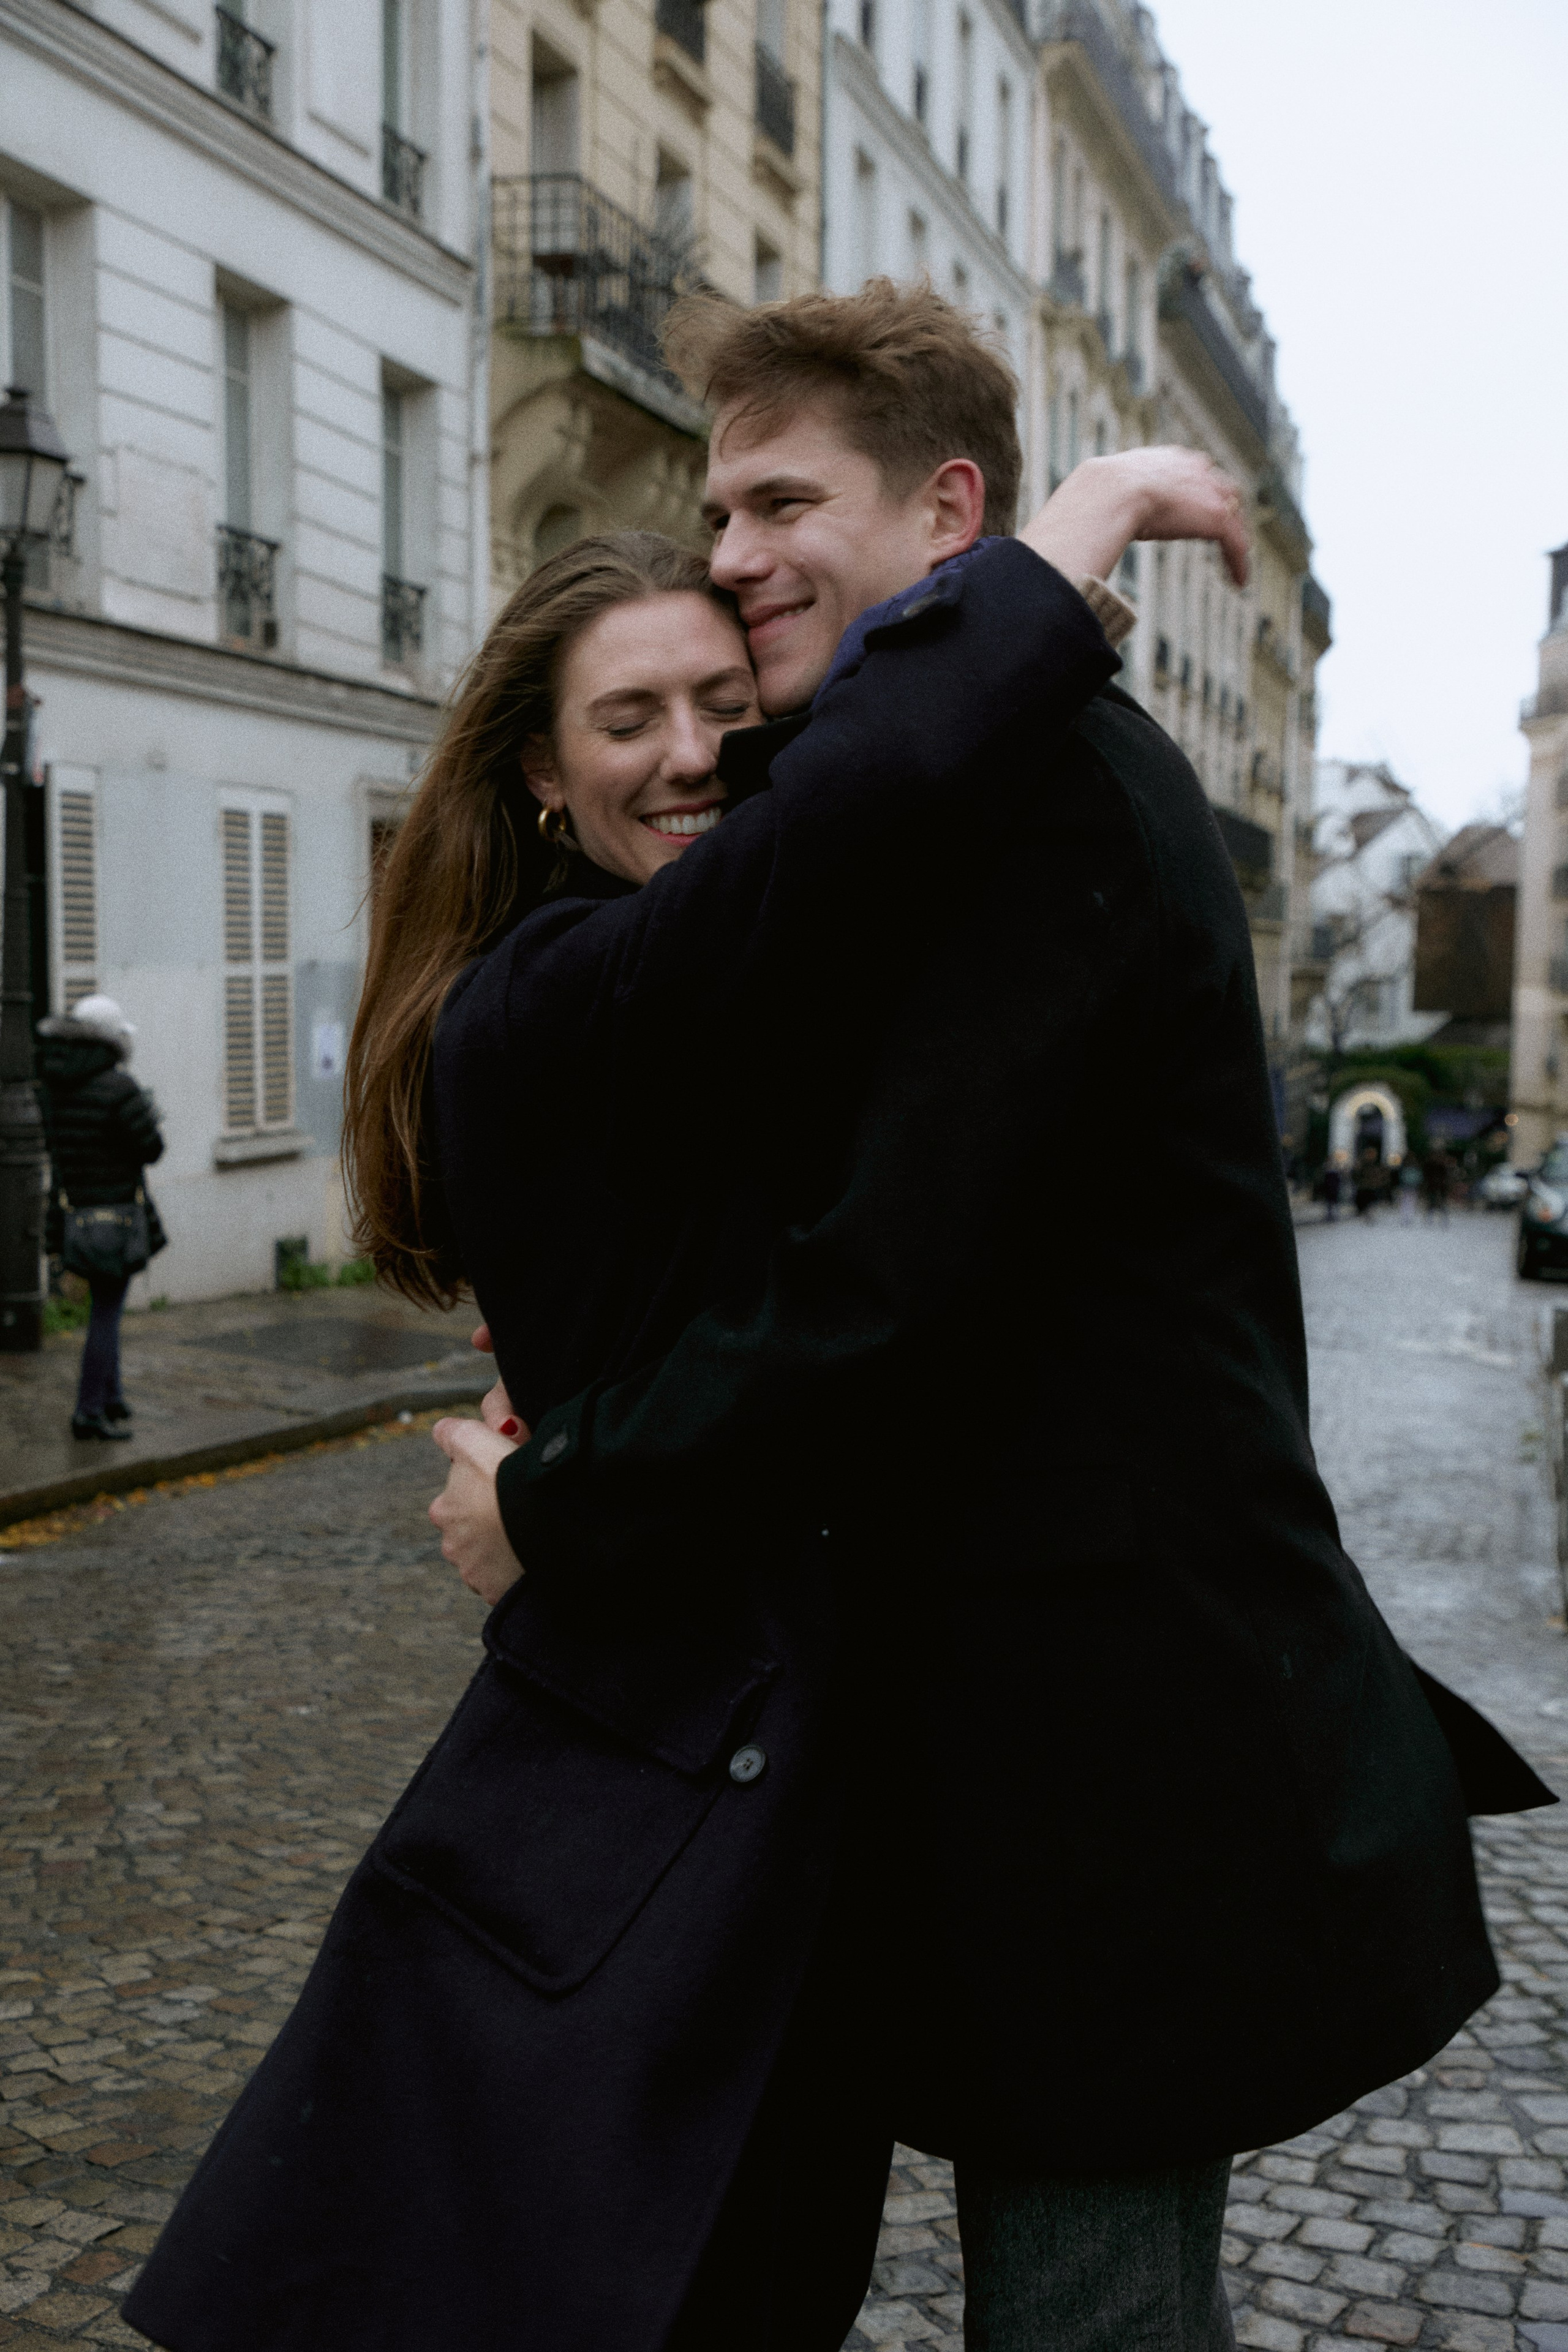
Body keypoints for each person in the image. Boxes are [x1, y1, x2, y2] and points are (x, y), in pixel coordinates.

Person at [426, 284, 1551, 2348]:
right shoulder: (944, 788)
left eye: (783, 502)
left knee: (1089, 2316)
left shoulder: (1028, 796)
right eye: (719, 506)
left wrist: (562, 1500)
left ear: (951, 518)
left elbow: (868, 1294)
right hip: (1009, 1745)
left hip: (1113, 1754)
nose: (737, 552)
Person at [122, 338, 1235, 2350]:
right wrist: (1064, 548)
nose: (700, 753)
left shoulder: (710, 984)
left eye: (725, 704)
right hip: (647, 1789)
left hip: (761, 1778)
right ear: (537, 778)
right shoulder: (559, 995)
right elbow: (861, 830)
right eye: (627, 721)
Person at [35, 995, 165, 1442]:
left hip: (74, 1214)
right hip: (116, 1217)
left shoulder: (53, 1086)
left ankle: (112, 1395)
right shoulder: (118, 1087)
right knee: (106, 1313)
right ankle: (89, 1410)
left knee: (103, 1307)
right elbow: (150, 1149)